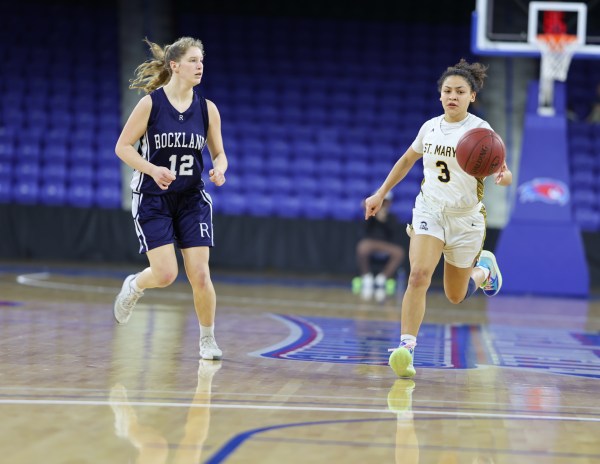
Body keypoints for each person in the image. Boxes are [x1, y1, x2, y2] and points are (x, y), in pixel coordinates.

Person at [364, 59, 512, 378]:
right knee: (418, 275)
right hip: (429, 210)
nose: (452, 96)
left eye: (460, 91)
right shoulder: (430, 127)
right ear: (440, 94)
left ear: (472, 96)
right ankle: (406, 348)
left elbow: (504, 172)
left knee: (455, 296)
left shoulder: (482, 131)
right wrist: (380, 192)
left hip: (465, 219)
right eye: (447, 91)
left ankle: (484, 270)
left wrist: (503, 177)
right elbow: (407, 160)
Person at [113, 37, 228, 361]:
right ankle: (134, 285)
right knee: (165, 275)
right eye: (193, 60)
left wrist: (220, 169)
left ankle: (207, 339)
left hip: (191, 198)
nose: (200, 65)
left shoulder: (207, 109)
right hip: (154, 198)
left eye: (201, 60)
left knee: (200, 274)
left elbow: (219, 153)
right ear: (174, 66)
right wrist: (152, 169)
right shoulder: (151, 104)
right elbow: (122, 147)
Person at [356, 191, 406, 302]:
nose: (383, 204)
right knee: (362, 247)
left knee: (399, 252)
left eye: (386, 202)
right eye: (382, 202)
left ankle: (382, 277)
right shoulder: (369, 214)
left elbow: (394, 235)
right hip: (370, 242)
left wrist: (384, 221)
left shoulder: (392, 217)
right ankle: (366, 276)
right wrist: (372, 216)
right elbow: (363, 231)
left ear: (389, 203)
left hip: (385, 244)